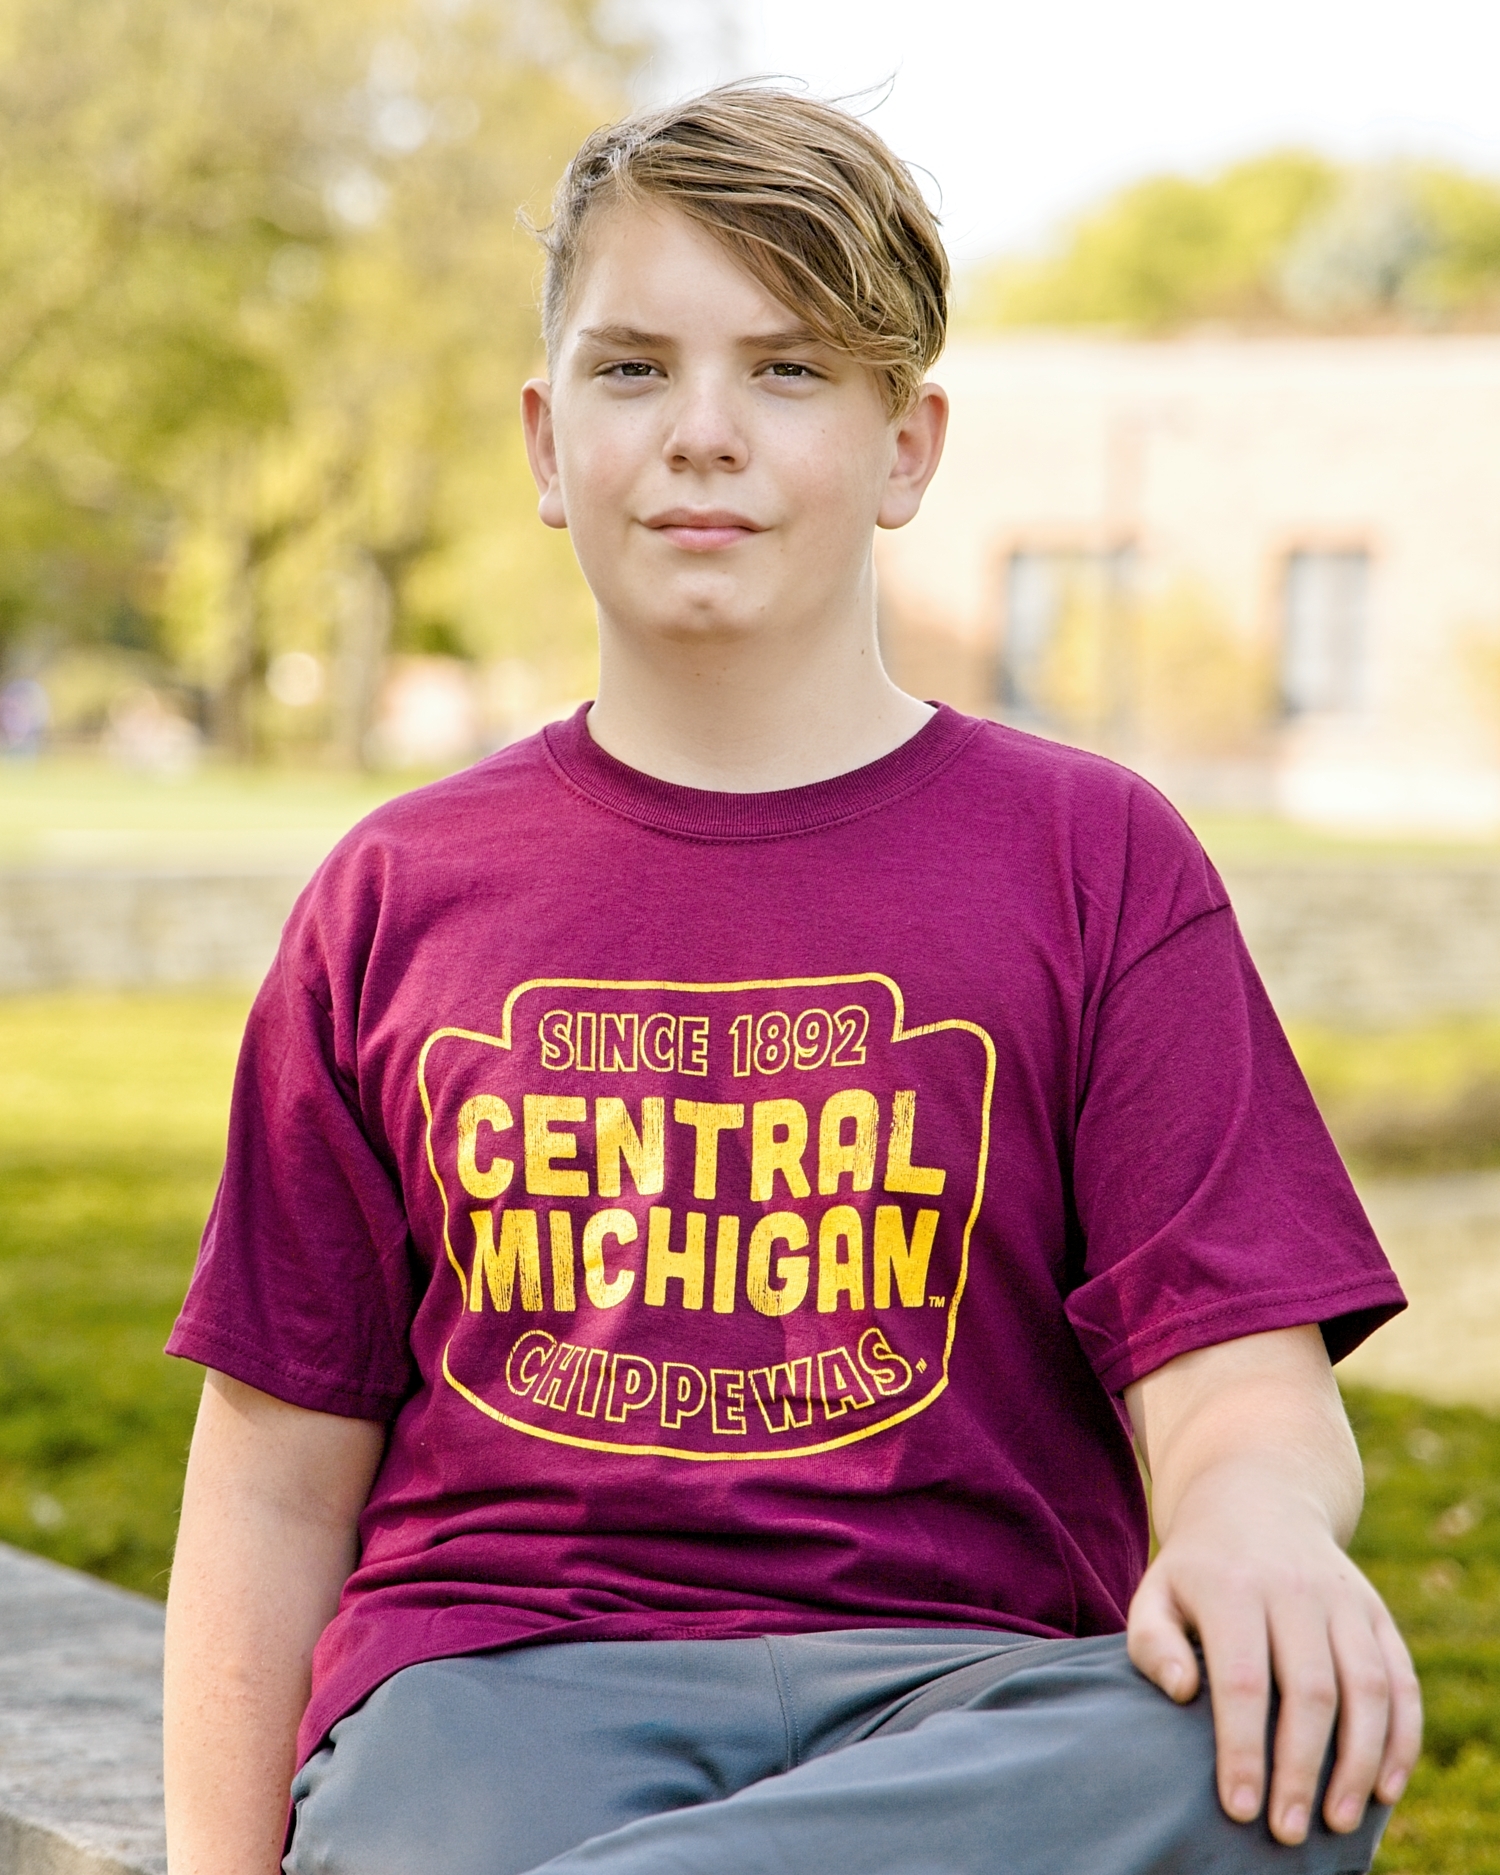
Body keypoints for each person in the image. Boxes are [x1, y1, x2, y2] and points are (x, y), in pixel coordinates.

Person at [161, 86, 1420, 1875]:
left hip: (975, 1709)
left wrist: (1259, 1523)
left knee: (1281, 1750)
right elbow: (276, 1471)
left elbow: (1238, 1385)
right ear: (542, 441)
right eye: (632, 370)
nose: (702, 434)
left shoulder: (1097, 858)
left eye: (790, 370)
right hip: (503, 1692)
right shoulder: (395, 897)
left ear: (909, 446)